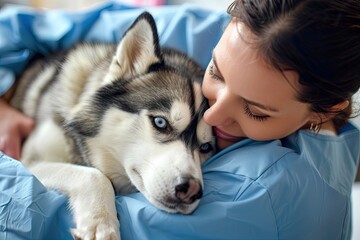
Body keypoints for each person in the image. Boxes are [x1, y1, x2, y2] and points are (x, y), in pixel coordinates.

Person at [0, 1, 359, 240]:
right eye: (216, 73)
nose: (214, 114)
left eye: (256, 111)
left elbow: (41, 222)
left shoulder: (257, 196)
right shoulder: (236, 33)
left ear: (323, 110)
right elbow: (21, 27)